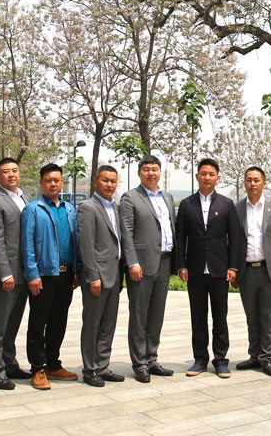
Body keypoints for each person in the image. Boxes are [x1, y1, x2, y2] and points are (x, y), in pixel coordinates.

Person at [175, 158, 242, 377]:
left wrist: (233, 267)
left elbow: (235, 237)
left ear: (217, 178)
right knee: (198, 317)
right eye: (203, 173)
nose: (207, 177)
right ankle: (200, 359)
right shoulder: (187, 204)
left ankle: (221, 359)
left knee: (220, 317)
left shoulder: (226, 204)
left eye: (211, 174)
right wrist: (182, 265)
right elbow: (180, 237)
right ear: (197, 176)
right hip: (194, 270)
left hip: (219, 270)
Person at [21, 163, 80, 390]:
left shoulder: (69, 209)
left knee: (58, 322)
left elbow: (74, 243)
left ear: (62, 182)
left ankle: (53, 364)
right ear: (41, 183)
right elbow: (27, 244)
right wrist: (32, 274)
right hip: (43, 276)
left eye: (56, 180)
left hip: (65, 275)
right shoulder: (33, 209)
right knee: (38, 322)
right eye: (48, 180)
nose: (53, 184)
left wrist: (76, 270)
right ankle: (38, 368)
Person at [119, 155, 177, 383]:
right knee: (139, 315)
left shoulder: (167, 197)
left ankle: (152, 359)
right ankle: (140, 363)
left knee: (156, 315)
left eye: (155, 169)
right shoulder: (130, 197)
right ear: (139, 173)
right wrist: (132, 263)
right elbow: (126, 233)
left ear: (160, 172)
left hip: (164, 262)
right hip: (141, 266)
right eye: (146, 169)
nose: (151, 173)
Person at [0, 158, 32, 390]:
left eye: (14, 170)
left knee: (13, 323)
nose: (11, 175)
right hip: (7, 275)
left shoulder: (22, 198)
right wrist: (4, 273)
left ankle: (9, 363)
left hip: (24, 273)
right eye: (5, 171)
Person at [234, 166, 271, 377]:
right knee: (252, 316)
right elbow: (233, 241)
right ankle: (254, 355)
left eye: (257, 180)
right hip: (246, 270)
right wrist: (234, 269)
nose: (253, 184)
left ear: (264, 183)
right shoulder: (238, 208)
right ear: (244, 183)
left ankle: (267, 358)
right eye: (249, 180)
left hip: (269, 269)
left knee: (268, 316)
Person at [77, 165, 126, 387]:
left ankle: (103, 366)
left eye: (113, 181)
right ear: (95, 181)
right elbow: (86, 245)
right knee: (92, 323)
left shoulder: (115, 207)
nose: (109, 185)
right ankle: (90, 369)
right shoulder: (88, 207)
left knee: (108, 324)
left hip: (114, 275)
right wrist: (93, 276)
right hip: (97, 277)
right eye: (105, 180)